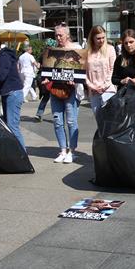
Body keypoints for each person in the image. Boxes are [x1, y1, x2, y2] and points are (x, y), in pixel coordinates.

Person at [43, 24, 84, 164]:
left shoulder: (77, 49)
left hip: (71, 90)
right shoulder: (53, 50)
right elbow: (47, 69)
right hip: (56, 89)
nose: (58, 37)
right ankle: (62, 150)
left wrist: (76, 81)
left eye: (60, 35)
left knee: (71, 121)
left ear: (67, 35)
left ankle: (72, 151)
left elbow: (82, 70)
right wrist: (46, 79)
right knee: (57, 121)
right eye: (56, 35)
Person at [85, 25, 116, 116]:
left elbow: (112, 69)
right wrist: (91, 86)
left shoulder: (110, 49)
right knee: (99, 120)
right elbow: (83, 72)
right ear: (92, 38)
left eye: (103, 37)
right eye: (98, 38)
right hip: (93, 91)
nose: (101, 40)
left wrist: (104, 86)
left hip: (108, 89)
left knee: (109, 120)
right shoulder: (87, 52)